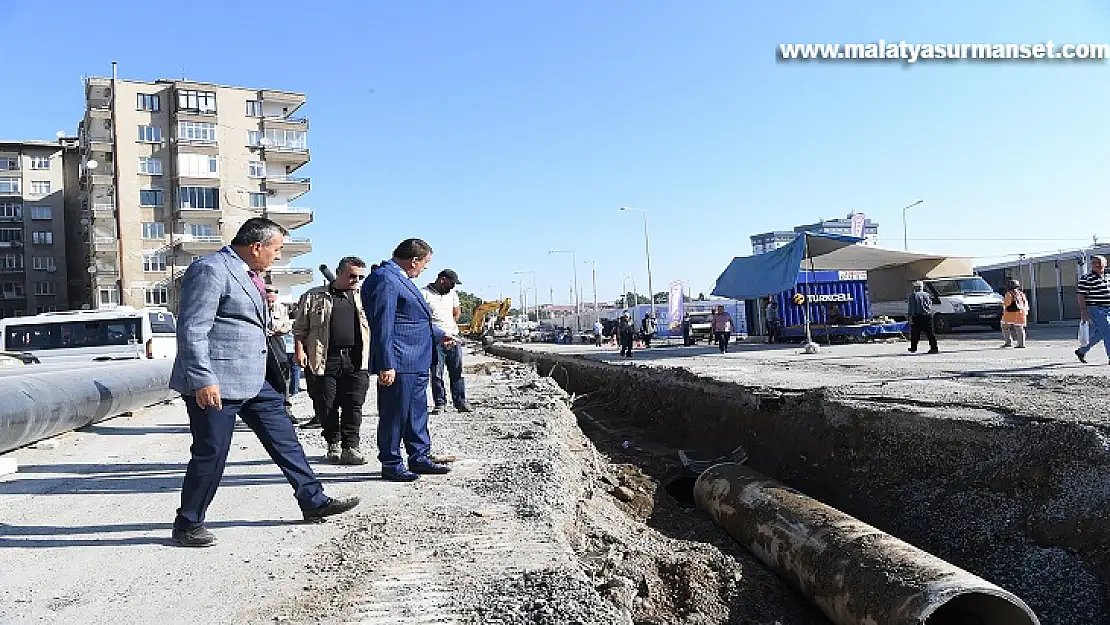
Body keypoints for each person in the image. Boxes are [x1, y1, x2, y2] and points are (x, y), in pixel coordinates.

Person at [168, 218, 359, 548]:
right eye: (276, 249)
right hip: (216, 382)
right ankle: (188, 522)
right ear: (257, 247)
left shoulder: (248, 274)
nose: (278, 256)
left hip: (254, 380)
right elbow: (192, 329)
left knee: (285, 440)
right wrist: (202, 378)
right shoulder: (211, 269)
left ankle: (313, 500)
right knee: (211, 452)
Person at [363, 239, 454, 481]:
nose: (425, 268)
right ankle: (391, 463)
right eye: (425, 263)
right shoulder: (386, 279)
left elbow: (412, 320)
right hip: (400, 361)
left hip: (417, 359)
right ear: (414, 260)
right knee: (395, 414)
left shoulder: (400, 279)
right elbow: (384, 324)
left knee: (416, 413)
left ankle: (419, 457)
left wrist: (440, 334)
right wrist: (386, 363)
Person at [293, 257, 372, 465]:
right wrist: (299, 352)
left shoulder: (364, 296)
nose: (356, 280)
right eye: (352, 275)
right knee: (326, 404)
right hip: (324, 358)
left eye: (360, 277)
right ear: (339, 272)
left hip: (356, 359)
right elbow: (300, 328)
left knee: (354, 404)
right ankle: (333, 443)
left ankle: (351, 447)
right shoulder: (314, 296)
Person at [422, 268, 472, 415]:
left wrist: (449, 332)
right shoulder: (424, 294)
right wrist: (440, 334)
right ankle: (440, 403)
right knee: (437, 373)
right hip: (436, 341)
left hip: (453, 339)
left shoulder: (452, 294)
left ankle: (460, 402)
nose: (453, 287)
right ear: (442, 280)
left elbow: (456, 313)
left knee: (457, 372)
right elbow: (423, 319)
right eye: (451, 283)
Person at [264, 286, 301, 425]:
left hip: (278, 351)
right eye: (268, 295)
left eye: (273, 297)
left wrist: (276, 330)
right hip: (260, 352)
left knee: (283, 382)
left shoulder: (280, 308)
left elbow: (287, 326)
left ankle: (286, 411)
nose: (271, 300)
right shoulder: (256, 306)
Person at [1076, 255, 1110, 364]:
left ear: (1105, 264)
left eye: (1099, 262)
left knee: (1101, 333)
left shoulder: (1107, 277)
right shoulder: (1086, 278)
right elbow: (1080, 295)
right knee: (1108, 331)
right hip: (1096, 308)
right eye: (1094, 262)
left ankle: (1082, 351)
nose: (1096, 264)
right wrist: (1083, 311)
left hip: (1108, 308)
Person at [907, 281, 939, 354]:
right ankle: (934, 348)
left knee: (915, 333)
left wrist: (910, 317)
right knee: (930, 333)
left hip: (917, 316)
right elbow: (930, 304)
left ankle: (913, 348)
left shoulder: (913, 295)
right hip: (928, 315)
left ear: (915, 287)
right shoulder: (927, 294)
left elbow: (911, 308)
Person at [1000, 278, 1029, 349]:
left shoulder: (1009, 294)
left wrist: (1002, 304)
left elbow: (1007, 303)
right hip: (1021, 313)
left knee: (1005, 326)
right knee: (1020, 328)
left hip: (1010, 314)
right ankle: (1021, 344)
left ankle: (1008, 342)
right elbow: (1025, 303)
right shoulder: (1021, 294)